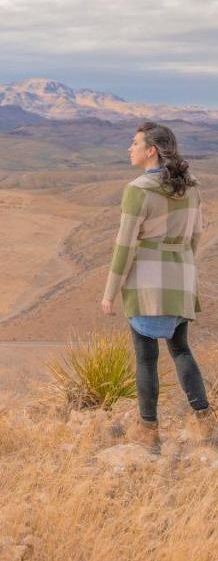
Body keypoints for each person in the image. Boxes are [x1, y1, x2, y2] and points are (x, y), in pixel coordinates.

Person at [100, 121, 216, 451]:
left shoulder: (138, 190)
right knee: (181, 349)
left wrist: (110, 293)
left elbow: (125, 246)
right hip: (181, 278)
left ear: (151, 150)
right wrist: (183, 269)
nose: (129, 148)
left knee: (146, 358)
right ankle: (205, 419)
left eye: (134, 143)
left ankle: (149, 431)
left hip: (147, 284)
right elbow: (195, 236)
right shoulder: (191, 186)